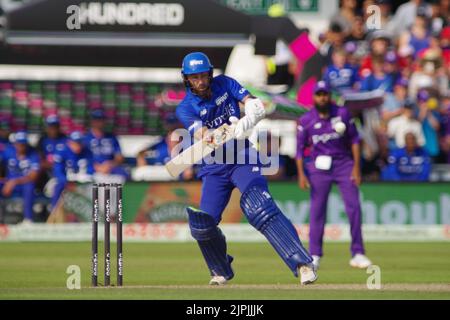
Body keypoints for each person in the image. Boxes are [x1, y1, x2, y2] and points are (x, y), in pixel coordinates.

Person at [175, 52, 317, 285]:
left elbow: (254, 104)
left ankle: (302, 264)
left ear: (210, 74)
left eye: (203, 76)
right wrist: (222, 133)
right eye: (194, 78)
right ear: (186, 79)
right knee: (203, 224)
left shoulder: (225, 83)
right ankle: (220, 270)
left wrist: (248, 119)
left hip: (242, 156)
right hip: (214, 165)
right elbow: (203, 135)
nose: (200, 82)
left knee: (259, 207)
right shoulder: (185, 108)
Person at [296, 81, 372, 270]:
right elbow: (299, 150)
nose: (323, 97)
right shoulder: (306, 120)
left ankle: (358, 253)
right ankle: (314, 254)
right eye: (319, 94)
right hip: (318, 167)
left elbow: (355, 140)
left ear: (330, 95)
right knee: (317, 211)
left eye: (325, 94)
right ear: (314, 97)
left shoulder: (342, 113)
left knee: (354, 207)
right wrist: (301, 174)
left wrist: (356, 167)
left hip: (343, 164)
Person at [0, 131, 40, 223]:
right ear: (15, 144)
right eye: (19, 144)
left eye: (23, 144)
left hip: (23, 183)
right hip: (8, 183)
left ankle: (28, 219)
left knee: (29, 187)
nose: (21, 146)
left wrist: (13, 182)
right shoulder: (8, 152)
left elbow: (33, 176)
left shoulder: (33, 155)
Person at [52, 131, 94, 209]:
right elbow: (57, 170)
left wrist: (84, 178)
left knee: (93, 188)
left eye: (79, 143)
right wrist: (66, 182)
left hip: (81, 180)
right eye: (75, 143)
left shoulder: (87, 152)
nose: (77, 146)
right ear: (69, 142)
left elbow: (90, 169)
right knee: (58, 187)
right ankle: (54, 210)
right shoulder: (62, 151)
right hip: (65, 180)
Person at [85, 109, 128, 179]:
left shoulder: (112, 138)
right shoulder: (85, 138)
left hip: (110, 168)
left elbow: (119, 157)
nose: (98, 122)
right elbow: (82, 156)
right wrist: (96, 166)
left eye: (101, 119)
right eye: (96, 119)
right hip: (91, 167)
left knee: (124, 174)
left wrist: (110, 164)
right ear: (92, 121)